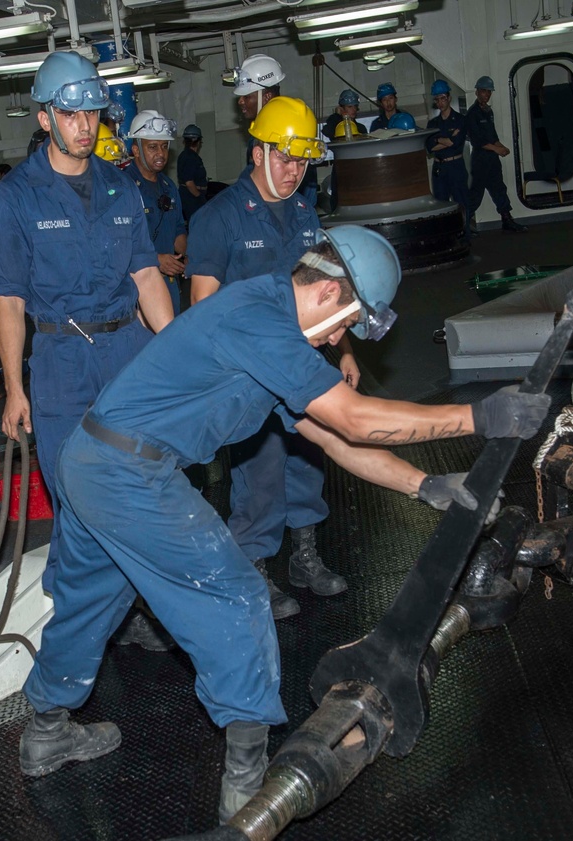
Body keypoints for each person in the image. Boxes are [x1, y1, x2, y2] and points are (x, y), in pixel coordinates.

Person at [17, 226, 550, 824]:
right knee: (237, 595)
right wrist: (478, 416)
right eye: (348, 323)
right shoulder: (260, 319)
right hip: (129, 475)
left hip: (91, 462)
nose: (340, 339)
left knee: (93, 600)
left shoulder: (271, 327)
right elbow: (354, 419)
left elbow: (331, 437)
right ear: (327, 292)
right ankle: (245, 787)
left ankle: (46, 730)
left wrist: (425, 485)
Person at [0, 51, 173, 593]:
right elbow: (10, 302)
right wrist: (14, 389)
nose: (85, 125)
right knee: (76, 490)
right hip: (61, 363)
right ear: (45, 118)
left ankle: (127, 603)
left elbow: (147, 277)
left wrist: (179, 347)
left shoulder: (121, 186)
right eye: (71, 115)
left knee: (137, 482)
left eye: (92, 113)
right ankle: (71, 599)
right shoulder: (13, 199)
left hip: (126, 351)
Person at [188, 97, 359, 620]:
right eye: (284, 159)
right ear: (257, 151)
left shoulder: (307, 213)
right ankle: (257, 566)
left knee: (309, 462)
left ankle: (305, 557)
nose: (293, 172)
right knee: (260, 473)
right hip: (251, 372)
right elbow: (202, 305)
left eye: (303, 162)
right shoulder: (219, 217)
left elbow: (332, 290)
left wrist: (346, 351)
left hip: (305, 363)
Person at [124, 110, 187, 316]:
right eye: (152, 147)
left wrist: (185, 256)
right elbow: (117, 242)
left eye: (163, 146)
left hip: (169, 284)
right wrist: (157, 259)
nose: (160, 153)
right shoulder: (123, 188)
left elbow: (178, 228)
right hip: (136, 287)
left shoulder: (169, 186)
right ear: (135, 150)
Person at [466, 75, 528, 233]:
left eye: (489, 92)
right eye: (484, 91)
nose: (487, 94)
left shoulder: (488, 112)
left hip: (491, 159)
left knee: (499, 189)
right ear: (477, 92)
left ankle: (507, 220)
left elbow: (493, 137)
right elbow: (478, 141)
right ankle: (463, 226)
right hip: (480, 160)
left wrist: (502, 147)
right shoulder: (472, 114)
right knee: (475, 195)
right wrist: (497, 149)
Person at [426, 79, 472, 240]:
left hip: (456, 165)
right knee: (441, 204)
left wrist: (439, 139)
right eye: (437, 99)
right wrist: (444, 140)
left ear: (449, 98)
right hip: (439, 169)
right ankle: (446, 237)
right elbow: (430, 147)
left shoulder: (460, 119)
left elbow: (456, 143)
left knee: (461, 202)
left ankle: (465, 234)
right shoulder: (433, 123)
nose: (440, 102)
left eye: (443, 98)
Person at [234, 54, 285, 164]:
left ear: (267, 97)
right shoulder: (261, 131)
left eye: (246, 96)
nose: (240, 101)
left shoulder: (277, 134)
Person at [177, 123, 209, 222]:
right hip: (192, 199)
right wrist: (199, 198)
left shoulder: (185, 155)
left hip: (190, 197)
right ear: (198, 142)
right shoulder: (191, 158)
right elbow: (189, 182)